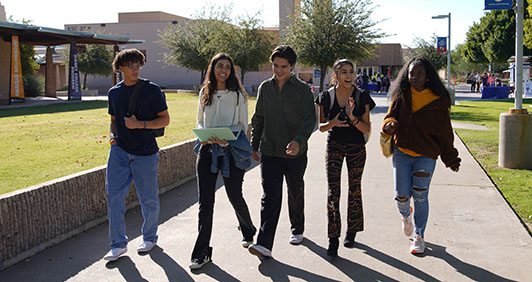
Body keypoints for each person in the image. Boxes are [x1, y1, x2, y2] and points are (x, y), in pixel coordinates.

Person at [382, 56, 460, 255]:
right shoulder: (401, 95)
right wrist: (390, 124)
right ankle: (406, 216)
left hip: (426, 155)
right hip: (402, 153)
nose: (415, 77)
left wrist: (450, 157)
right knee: (401, 196)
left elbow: (445, 131)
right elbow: (389, 116)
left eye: (419, 73)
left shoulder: (438, 100)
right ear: (406, 76)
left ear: (427, 77)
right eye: (411, 73)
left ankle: (419, 236)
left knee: (420, 196)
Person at [189, 53, 257, 270]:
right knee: (205, 203)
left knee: (234, 195)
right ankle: (201, 253)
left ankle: (248, 230)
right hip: (207, 150)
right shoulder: (204, 92)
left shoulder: (237, 95)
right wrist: (204, 134)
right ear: (213, 68)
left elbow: (242, 124)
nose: (224, 70)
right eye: (220, 66)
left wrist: (226, 137)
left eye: (228, 67)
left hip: (231, 151)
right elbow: (199, 121)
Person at [248, 45, 316, 258]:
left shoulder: (303, 90)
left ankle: (297, 228)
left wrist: (298, 141)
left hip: (295, 153)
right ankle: (264, 244)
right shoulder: (265, 88)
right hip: (269, 152)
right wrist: (254, 145)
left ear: (293, 66)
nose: (278, 70)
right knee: (270, 197)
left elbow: (309, 120)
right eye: (275, 66)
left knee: (295, 191)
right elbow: (258, 118)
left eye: (283, 67)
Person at [104, 48, 170, 261]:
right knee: (114, 197)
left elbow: (164, 119)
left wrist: (139, 125)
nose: (135, 69)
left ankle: (149, 237)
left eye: (138, 65)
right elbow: (113, 121)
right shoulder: (114, 92)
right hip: (119, 152)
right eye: (130, 65)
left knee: (148, 198)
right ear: (120, 67)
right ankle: (118, 244)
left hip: (145, 154)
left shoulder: (151, 90)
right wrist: (113, 138)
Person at [315, 59, 375, 257]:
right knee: (333, 192)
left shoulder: (362, 97)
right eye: (344, 72)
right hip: (334, 147)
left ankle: (352, 231)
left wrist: (352, 118)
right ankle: (333, 238)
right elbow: (321, 127)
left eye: (351, 72)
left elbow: (367, 129)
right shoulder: (325, 97)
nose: (349, 75)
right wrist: (333, 122)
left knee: (354, 189)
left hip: (357, 148)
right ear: (335, 76)